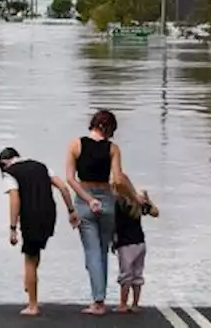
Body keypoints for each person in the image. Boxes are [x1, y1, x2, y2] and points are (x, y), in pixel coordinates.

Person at [0, 147, 80, 317]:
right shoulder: (41, 166)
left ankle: (32, 305)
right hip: (49, 215)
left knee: (29, 257)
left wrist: (13, 228)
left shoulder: (10, 173)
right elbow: (63, 187)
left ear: (4, 163)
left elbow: (15, 199)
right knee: (34, 253)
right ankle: (29, 283)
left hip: (30, 216)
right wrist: (71, 210)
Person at [65, 109, 125, 315]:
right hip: (107, 199)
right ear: (109, 129)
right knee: (101, 250)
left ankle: (98, 301)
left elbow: (70, 178)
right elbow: (117, 180)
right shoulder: (113, 149)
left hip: (84, 199)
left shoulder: (76, 144)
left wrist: (89, 199)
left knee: (92, 252)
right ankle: (100, 298)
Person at [112, 178, 158, 313]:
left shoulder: (117, 203)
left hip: (125, 245)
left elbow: (113, 226)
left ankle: (123, 304)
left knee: (126, 275)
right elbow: (155, 213)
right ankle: (135, 304)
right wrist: (148, 201)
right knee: (137, 274)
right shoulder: (136, 202)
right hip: (140, 243)